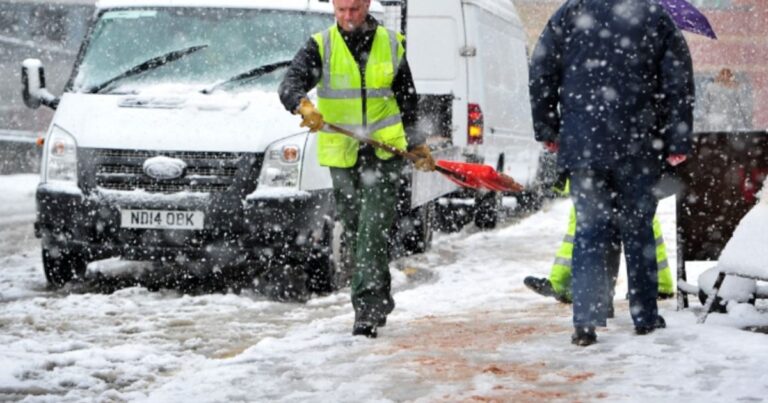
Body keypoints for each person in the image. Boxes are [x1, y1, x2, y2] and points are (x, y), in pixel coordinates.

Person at [529, 0, 694, 346]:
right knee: (638, 229)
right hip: (639, 144)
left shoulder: (570, 13)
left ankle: (586, 320)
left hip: (585, 145)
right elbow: (678, 80)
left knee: (590, 230)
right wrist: (676, 139)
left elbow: (541, 69)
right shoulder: (654, 15)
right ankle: (645, 315)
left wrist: (547, 127)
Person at [278, 0, 435, 338]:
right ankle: (379, 295)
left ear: (366, 5)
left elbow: (407, 98)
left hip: (384, 152)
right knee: (354, 229)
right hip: (343, 152)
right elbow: (289, 84)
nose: (347, 17)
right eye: (341, 10)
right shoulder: (321, 45)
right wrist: (302, 104)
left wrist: (417, 143)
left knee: (372, 228)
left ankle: (366, 311)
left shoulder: (390, 43)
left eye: (354, 9)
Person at [698, 67, 752, 132]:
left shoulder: (711, 88)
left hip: (719, 121)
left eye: (727, 74)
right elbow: (744, 107)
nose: (725, 76)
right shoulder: (735, 89)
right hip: (725, 121)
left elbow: (705, 106)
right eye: (723, 73)